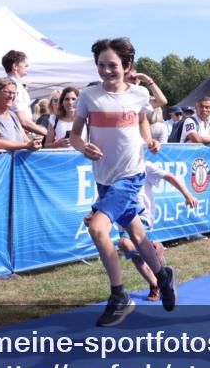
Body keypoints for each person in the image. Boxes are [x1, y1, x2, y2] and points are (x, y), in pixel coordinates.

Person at [70, 37, 176, 327]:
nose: (106, 71)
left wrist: (149, 138)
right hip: (104, 177)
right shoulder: (88, 96)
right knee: (138, 237)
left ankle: (119, 296)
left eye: (113, 65)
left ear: (126, 66)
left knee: (97, 227)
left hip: (131, 175)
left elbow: (160, 104)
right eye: (101, 65)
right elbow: (74, 135)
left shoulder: (139, 94)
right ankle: (163, 276)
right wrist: (83, 147)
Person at [114, 161, 199, 301]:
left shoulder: (144, 165)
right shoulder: (113, 168)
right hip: (122, 220)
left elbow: (169, 176)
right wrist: (93, 214)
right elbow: (105, 194)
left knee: (124, 244)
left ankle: (154, 248)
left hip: (142, 215)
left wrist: (187, 195)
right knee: (137, 259)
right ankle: (157, 284)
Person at [0, 78, 43, 152]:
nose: (11, 96)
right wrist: (27, 145)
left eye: (14, 93)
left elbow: (25, 140)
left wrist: (35, 143)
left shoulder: (13, 115)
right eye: (8, 92)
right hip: (0, 162)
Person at [1, 50, 48, 138]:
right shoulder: (14, 86)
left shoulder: (12, 85)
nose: (27, 66)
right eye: (24, 63)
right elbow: (22, 120)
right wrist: (48, 133)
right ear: (15, 66)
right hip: (18, 135)